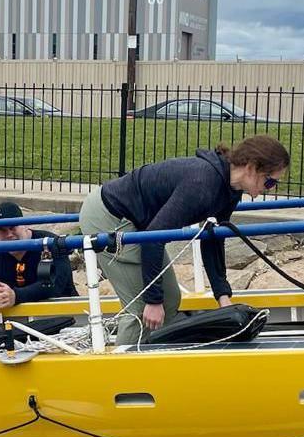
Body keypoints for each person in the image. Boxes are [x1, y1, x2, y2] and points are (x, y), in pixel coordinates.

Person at [79, 135, 290, 346]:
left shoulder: (230, 190)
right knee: (140, 307)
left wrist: (223, 297)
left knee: (169, 300)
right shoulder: (202, 184)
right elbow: (153, 238)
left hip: (140, 224)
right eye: (270, 181)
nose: (270, 188)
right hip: (109, 216)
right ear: (251, 167)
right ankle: (121, 374)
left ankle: (149, 359)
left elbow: (212, 238)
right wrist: (153, 301)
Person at [0, 200, 76, 309]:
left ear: (25, 224)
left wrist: (16, 296)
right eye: (2, 230)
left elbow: (55, 286)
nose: (9, 234)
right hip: (10, 319)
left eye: (12, 227)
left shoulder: (51, 243)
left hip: (62, 315)